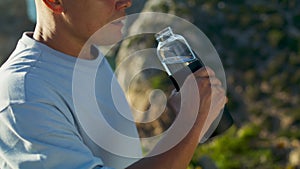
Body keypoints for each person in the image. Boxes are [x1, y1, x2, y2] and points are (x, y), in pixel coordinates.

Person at [0, 0, 227, 168]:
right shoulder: (23, 93)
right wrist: (189, 123)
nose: (125, 2)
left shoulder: (88, 57)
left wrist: (182, 121)